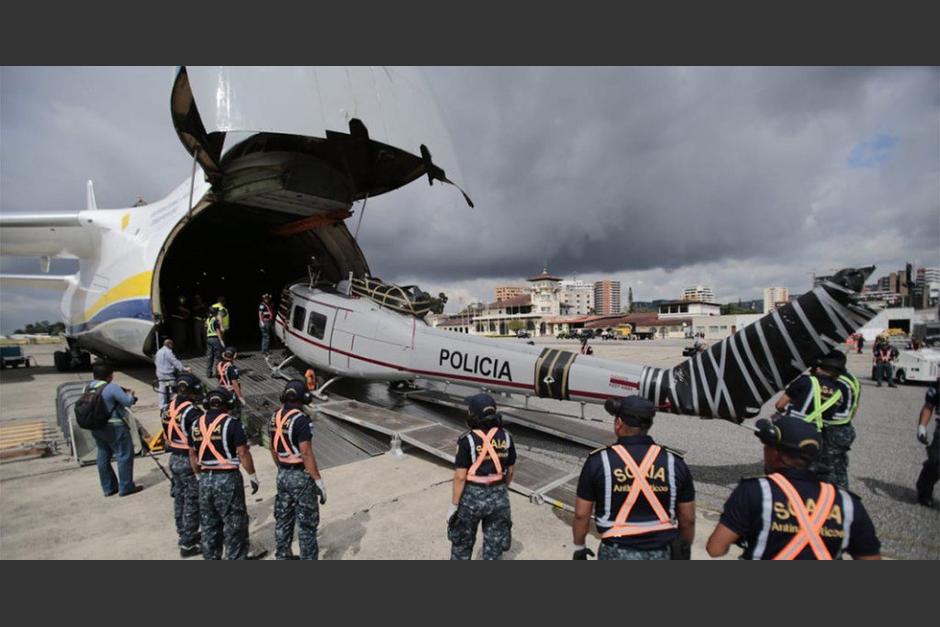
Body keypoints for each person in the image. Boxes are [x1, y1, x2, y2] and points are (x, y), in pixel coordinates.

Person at [705, 414, 881, 560]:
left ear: (775, 453)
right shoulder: (847, 503)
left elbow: (716, 548)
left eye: (766, 447)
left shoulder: (755, 492)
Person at [572, 395, 695, 560]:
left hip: (615, 551)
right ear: (649, 425)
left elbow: (581, 514)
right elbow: (687, 519)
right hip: (662, 551)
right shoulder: (675, 462)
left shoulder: (598, 461)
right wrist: (684, 549)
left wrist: (580, 547)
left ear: (619, 423)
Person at [187, 387, 259, 560]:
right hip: (227, 478)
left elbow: (192, 453)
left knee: (209, 525)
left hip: (205, 477)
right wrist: (252, 475)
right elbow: (242, 453)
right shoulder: (232, 424)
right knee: (235, 525)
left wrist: (198, 475)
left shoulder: (196, 424)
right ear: (229, 403)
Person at [447, 393, 515, 560]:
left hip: (471, 498)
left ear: (473, 415)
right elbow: (511, 471)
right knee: (494, 547)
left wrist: (454, 506)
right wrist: (500, 490)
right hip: (499, 496)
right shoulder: (506, 437)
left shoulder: (467, 440)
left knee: (462, 544)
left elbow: (460, 477)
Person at [269, 380, 327, 559]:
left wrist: (282, 468)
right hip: (300, 476)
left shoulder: (275, 416)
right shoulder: (301, 420)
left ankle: (283, 555)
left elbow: (272, 448)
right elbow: (306, 453)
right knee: (307, 524)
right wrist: (318, 480)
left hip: (283, 474)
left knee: (284, 519)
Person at [162, 372, 204, 557]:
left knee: (179, 499)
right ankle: (188, 543)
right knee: (192, 502)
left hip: (174, 459)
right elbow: (197, 442)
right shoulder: (192, 413)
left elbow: (166, 436)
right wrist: (199, 470)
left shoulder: (167, 408)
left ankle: (183, 532)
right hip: (189, 460)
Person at [87, 362, 142, 497]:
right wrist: (131, 395)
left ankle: (108, 488)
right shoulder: (111, 387)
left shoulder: (88, 387)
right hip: (115, 426)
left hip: (97, 427)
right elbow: (127, 402)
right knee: (124, 455)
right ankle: (126, 487)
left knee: (103, 455)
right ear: (110, 376)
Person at [807, 350, 859, 490]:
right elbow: (855, 406)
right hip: (846, 427)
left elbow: (823, 407)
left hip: (833, 430)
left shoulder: (837, 382)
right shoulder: (851, 378)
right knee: (839, 466)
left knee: (824, 468)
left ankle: (827, 499)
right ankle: (843, 496)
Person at [774, 357, 843, 430]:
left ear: (819, 369)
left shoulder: (805, 381)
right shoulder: (839, 394)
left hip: (794, 426)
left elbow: (779, 405)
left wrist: (783, 413)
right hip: (817, 433)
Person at [914, 377, 939, 508]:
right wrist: (922, 427)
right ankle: (924, 490)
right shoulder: (936, 387)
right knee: (935, 463)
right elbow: (929, 406)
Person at [216, 346, 246, 425]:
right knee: (235, 414)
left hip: (221, 391)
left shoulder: (219, 365)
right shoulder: (232, 368)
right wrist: (240, 397)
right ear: (234, 356)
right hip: (230, 393)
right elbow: (234, 383)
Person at [155, 338, 185, 410]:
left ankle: (162, 405)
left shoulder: (159, 352)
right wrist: (183, 368)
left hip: (160, 373)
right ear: (169, 344)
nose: (172, 346)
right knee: (174, 388)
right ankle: (173, 403)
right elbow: (174, 361)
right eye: (172, 345)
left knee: (162, 389)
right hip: (168, 374)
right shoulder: (168, 352)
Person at [204, 309, 225, 379]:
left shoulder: (207, 320)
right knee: (217, 356)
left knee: (209, 356)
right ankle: (217, 373)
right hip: (215, 339)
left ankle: (208, 373)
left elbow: (206, 328)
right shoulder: (215, 320)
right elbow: (217, 330)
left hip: (208, 338)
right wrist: (221, 340)